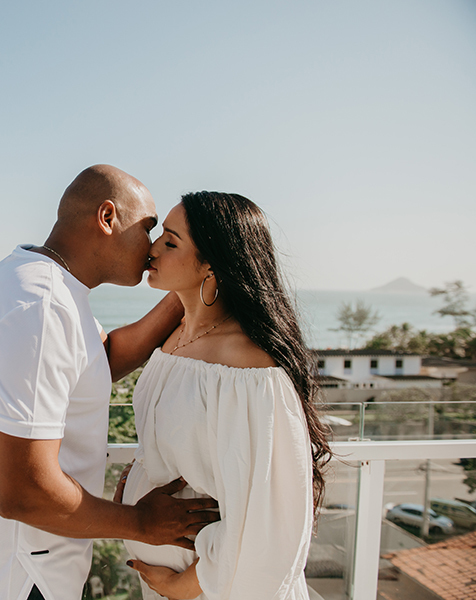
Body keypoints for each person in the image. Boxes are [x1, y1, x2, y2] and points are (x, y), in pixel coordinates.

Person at [0, 166, 220, 600]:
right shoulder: (40, 305)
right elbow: (23, 492)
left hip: (28, 567)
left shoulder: (38, 282)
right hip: (20, 579)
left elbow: (98, 361)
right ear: (107, 217)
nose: (151, 246)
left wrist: (188, 288)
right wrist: (143, 524)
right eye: (147, 228)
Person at [116, 192, 332, 599]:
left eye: (171, 241)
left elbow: (270, 518)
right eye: (161, 234)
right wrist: (134, 485)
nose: (153, 248)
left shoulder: (249, 367)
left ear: (211, 266)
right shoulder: (174, 339)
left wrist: (184, 586)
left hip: (213, 590)